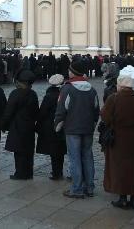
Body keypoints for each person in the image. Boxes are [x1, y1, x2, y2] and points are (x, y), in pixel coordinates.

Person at [55, 59, 100, 198]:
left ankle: (77, 188)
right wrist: (93, 123)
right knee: (87, 157)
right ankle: (90, 187)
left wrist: (57, 124)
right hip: (87, 128)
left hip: (72, 128)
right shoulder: (91, 89)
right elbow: (96, 110)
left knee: (75, 158)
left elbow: (61, 109)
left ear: (73, 73)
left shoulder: (67, 88)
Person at [100, 75, 134, 209]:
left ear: (120, 85)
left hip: (118, 137)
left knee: (120, 168)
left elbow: (105, 117)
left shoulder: (114, 98)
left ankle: (123, 198)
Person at [2, 69, 39, 180]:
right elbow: (36, 112)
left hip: (17, 126)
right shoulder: (33, 94)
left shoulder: (15, 93)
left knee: (18, 151)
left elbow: (8, 112)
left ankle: (20, 173)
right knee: (28, 150)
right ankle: (28, 172)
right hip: (29, 126)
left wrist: (3, 125)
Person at [36, 74, 67, 180]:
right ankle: (59, 171)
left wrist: (38, 125)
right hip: (62, 125)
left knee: (54, 151)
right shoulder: (64, 94)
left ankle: (56, 172)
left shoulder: (49, 96)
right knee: (60, 150)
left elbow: (42, 112)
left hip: (50, 126)